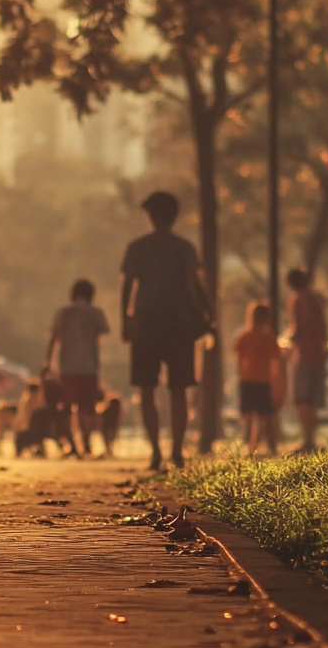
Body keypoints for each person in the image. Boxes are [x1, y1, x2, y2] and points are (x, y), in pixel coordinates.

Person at [120, 191, 213, 471]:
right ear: (175, 216)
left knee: (147, 388)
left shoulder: (137, 247)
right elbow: (193, 284)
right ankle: (176, 451)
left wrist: (126, 319)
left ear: (150, 216)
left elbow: (128, 286)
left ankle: (156, 452)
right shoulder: (184, 248)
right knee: (178, 389)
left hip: (146, 323)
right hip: (179, 325)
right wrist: (209, 313)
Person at [44, 279, 110, 457]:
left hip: (67, 367)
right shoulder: (95, 313)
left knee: (67, 408)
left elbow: (53, 338)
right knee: (87, 408)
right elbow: (102, 336)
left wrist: (47, 362)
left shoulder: (63, 313)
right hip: (89, 366)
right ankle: (87, 444)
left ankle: (73, 446)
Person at [285, 267, 328, 454]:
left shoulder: (298, 300)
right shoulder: (316, 298)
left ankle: (308, 441)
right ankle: (311, 440)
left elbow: (299, 327)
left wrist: (286, 341)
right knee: (311, 400)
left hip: (303, 355)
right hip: (318, 353)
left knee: (302, 400)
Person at [234, 302, 282, 457]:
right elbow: (276, 359)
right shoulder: (267, 337)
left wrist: (239, 376)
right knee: (266, 416)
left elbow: (239, 358)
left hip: (248, 380)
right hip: (262, 381)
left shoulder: (246, 336)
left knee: (250, 415)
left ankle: (251, 448)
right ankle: (270, 447)